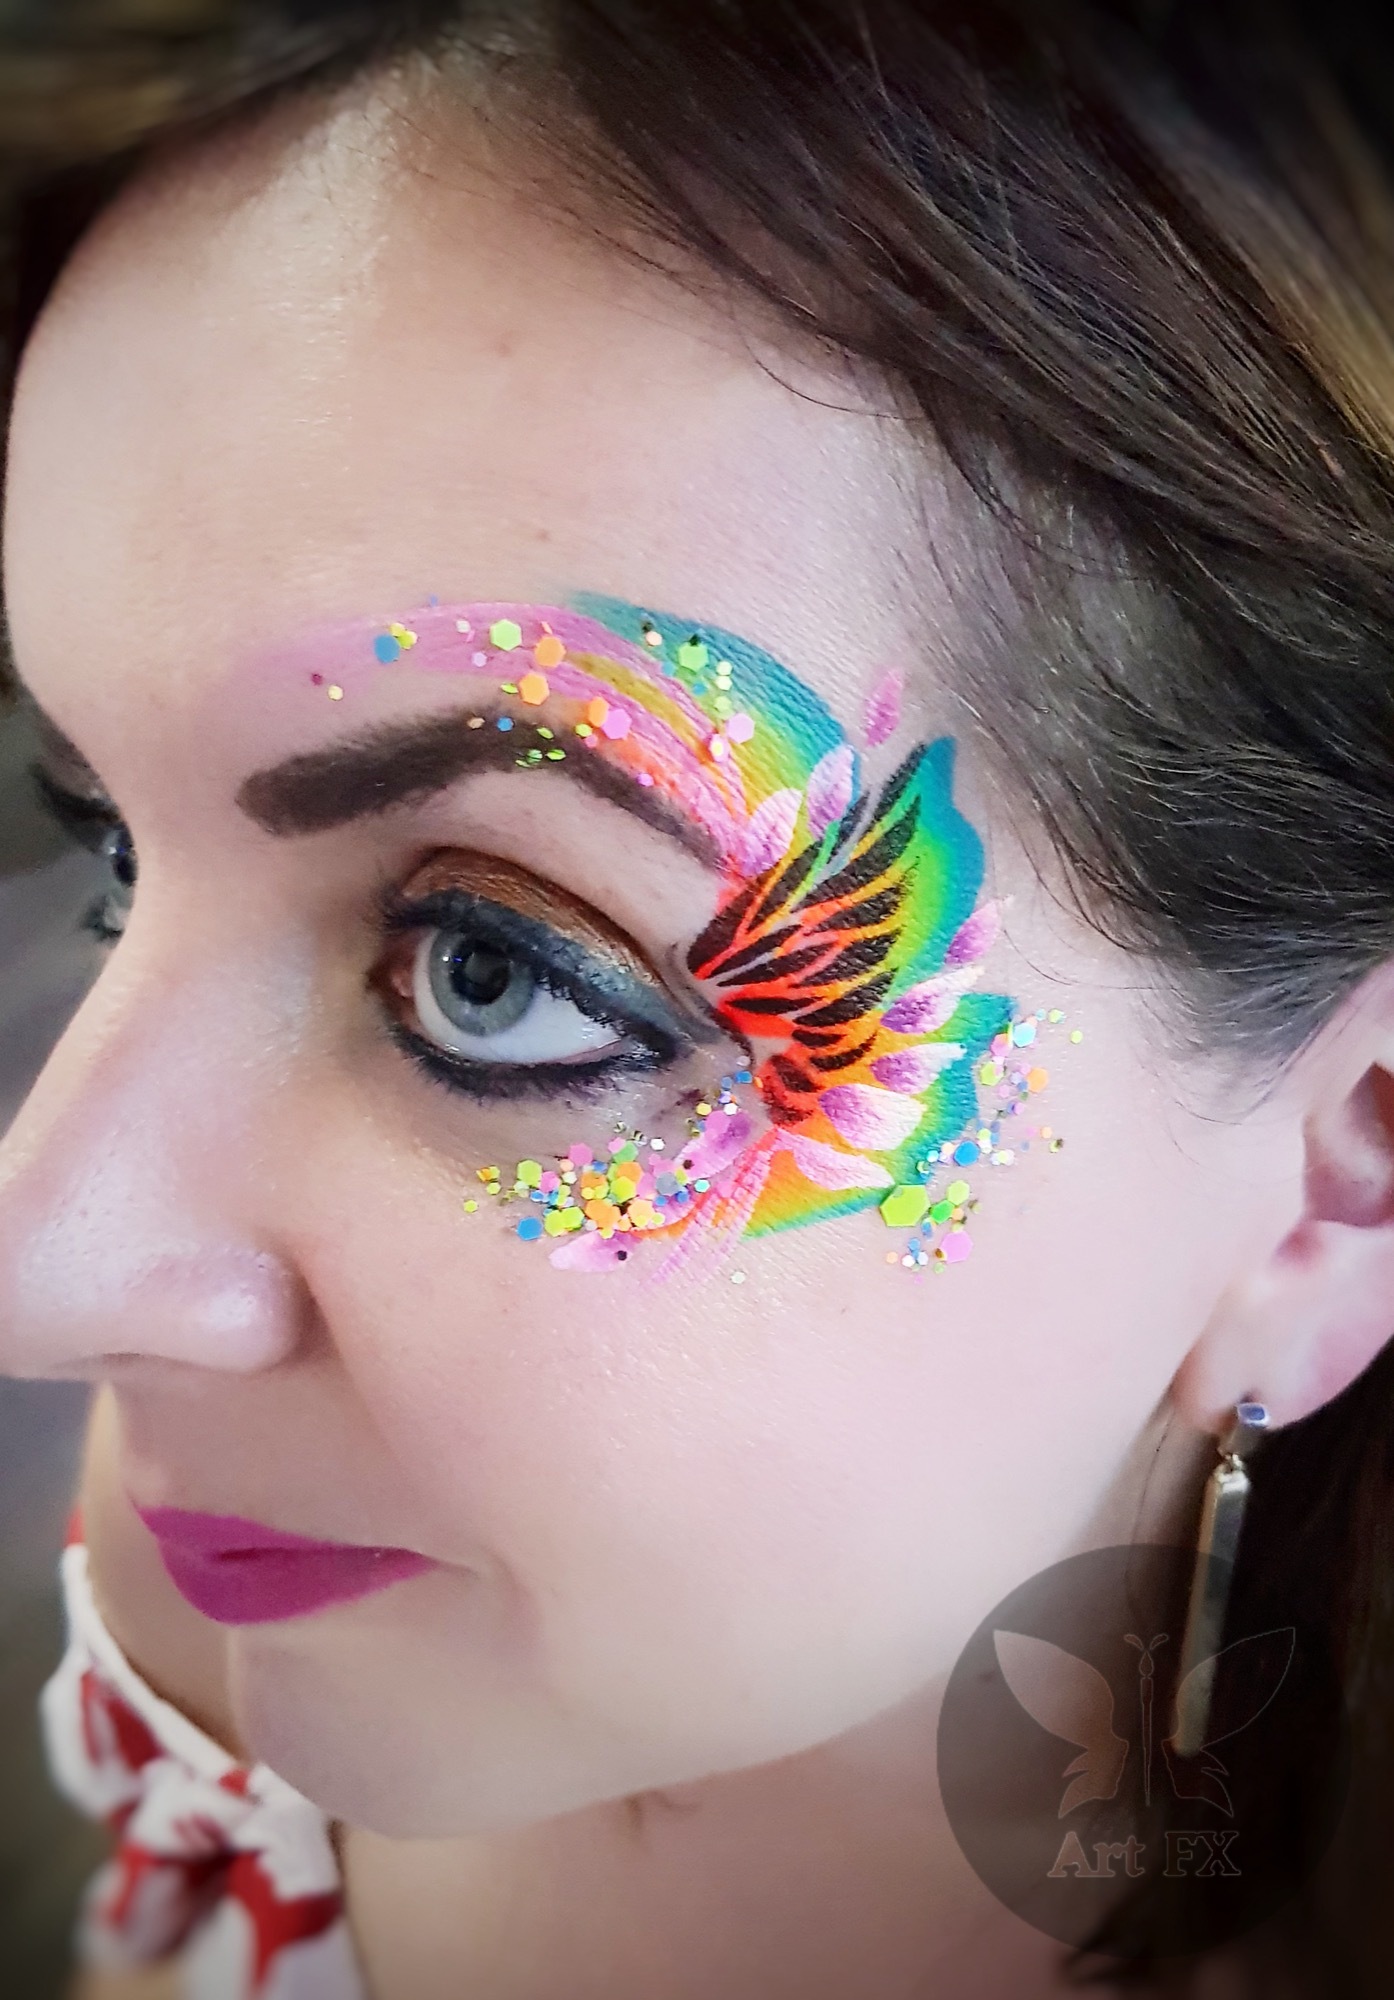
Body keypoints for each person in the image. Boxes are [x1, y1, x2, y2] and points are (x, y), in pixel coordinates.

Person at [1, 1, 1393, 1993]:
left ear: (1345, 1180)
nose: (41, 1268)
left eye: (498, 979)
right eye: (121, 849)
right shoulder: (209, 1571)